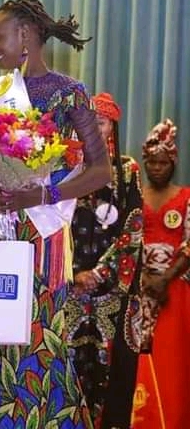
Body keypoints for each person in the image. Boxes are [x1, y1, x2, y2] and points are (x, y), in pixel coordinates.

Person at [0, 0, 112, 428]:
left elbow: (100, 169)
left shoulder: (71, 92)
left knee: (40, 334)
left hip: (43, 229)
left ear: (26, 36)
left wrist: (44, 194)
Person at [64, 93, 143, 428]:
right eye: (88, 121)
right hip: (71, 289)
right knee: (69, 370)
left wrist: (99, 273)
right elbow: (54, 227)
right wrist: (74, 274)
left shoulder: (126, 171)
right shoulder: (64, 169)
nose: (95, 128)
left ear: (112, 127)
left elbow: (133, 227)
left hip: (113, 293)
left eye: (102, 121)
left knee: (112, 374)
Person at [131, 119, 190, 428]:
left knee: (173, 359)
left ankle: (174, 418)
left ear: (173, 163)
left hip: (174, 290)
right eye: (151, 162)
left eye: (163, 162)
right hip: (139, 289)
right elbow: (126, 241)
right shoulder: (134, 197)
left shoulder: (186, 196)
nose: (156, 168)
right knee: (137, 355)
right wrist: (142, 279)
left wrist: (165, 279)